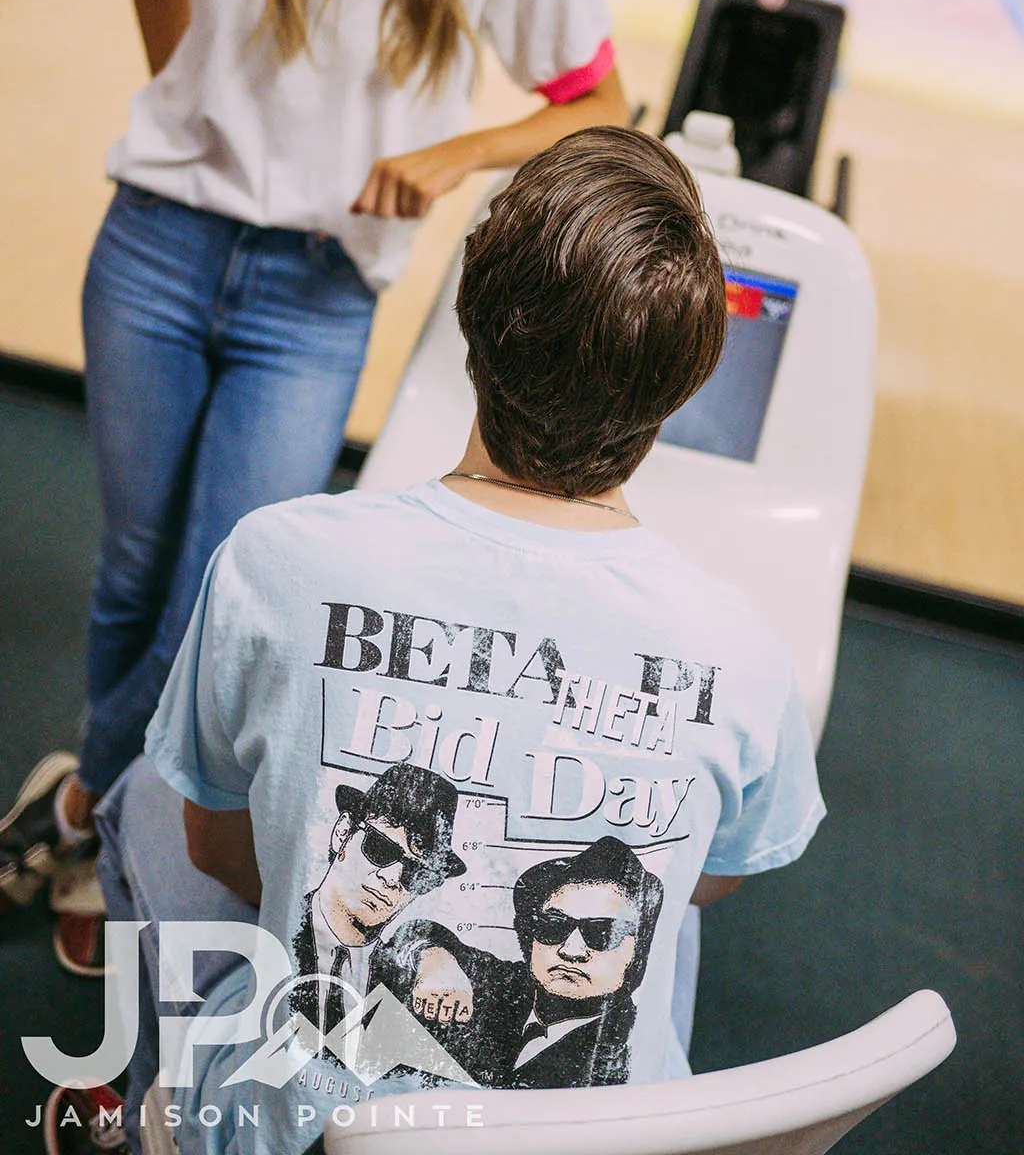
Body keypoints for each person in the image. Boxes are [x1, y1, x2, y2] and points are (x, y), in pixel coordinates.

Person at [0, 0, 627, 965]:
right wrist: (187, 100)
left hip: (312, 297)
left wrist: (454, 153)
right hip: (158, 248)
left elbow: (601, 105)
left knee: (209, 598)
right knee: (127, 576)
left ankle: (96, 832)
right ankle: (100, 820)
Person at [83, 125, 825, 1155]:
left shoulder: (275, 556)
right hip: (614, 1138)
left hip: (300, 1125)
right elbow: (717, 878)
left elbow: (222, 850)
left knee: (148, 792)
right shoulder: (743, 648)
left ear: (469, 311)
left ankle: (155, 1105)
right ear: (684, 383)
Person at [384, 835, 664, 1087]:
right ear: (528, 935)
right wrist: (436, 962)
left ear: (638, 950)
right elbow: (419, 932)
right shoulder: (508, 985)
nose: (572, 949)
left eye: (603, 932)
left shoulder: (627, 1048)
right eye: (553, 925)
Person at [290, 765, 466, 1039]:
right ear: (342, 833)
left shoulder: (408, 982)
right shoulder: (281, 930)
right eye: (380, 848)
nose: (392, 878)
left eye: (416, 873)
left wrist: (439, 956)